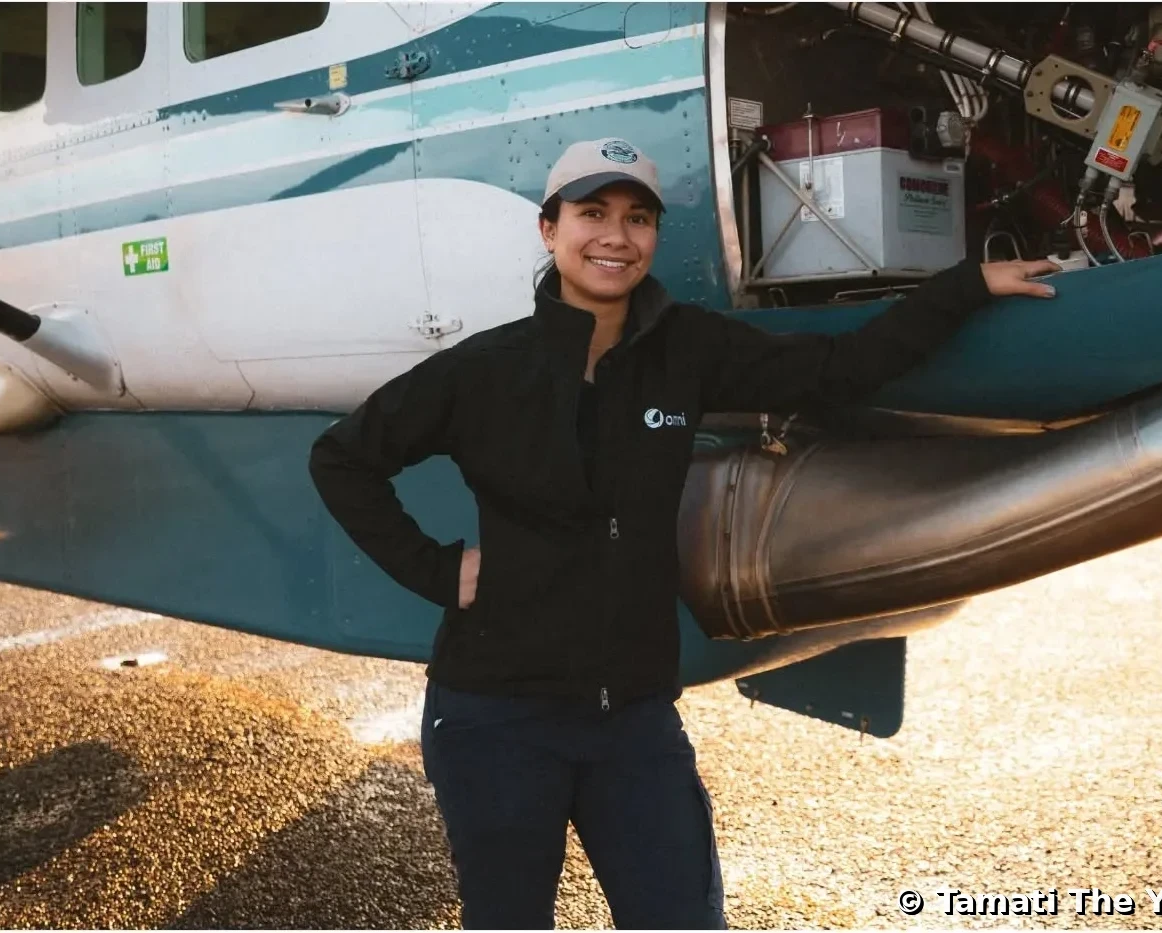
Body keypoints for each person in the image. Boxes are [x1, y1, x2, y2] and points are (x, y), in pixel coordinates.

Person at [308, 137, 1058, 929]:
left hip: (632, 719)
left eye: (637, 218)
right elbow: (343, 459)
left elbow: (839, 370)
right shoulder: (487, 369)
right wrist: (437, 570)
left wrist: (967, 285)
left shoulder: (688, 351)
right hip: (496, 718)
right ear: (548, 229)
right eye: (591, 214)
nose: (614, 236)